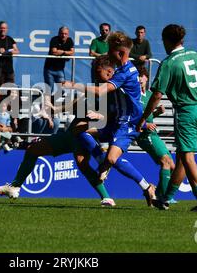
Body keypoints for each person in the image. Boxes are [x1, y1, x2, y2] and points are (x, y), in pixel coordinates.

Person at [0, 56, 120, 207]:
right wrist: (56, 109)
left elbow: (114, 117)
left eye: (98, 72)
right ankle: (15, 187)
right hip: (70, 134)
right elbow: (77, 103)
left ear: (110, 72)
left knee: (83, 164)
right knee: (33, 149)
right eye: (94, 72)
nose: (95, 75)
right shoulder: (95, 88)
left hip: (83, 136)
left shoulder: (113, 92)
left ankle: (107, 196)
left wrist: (98, 116)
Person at [63, 31, 157, 206]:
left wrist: (73, 85)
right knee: (77, 129)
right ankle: (101, 160)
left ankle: (147, 187)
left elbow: (100, 91)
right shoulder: (120, 70)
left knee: (113, 158)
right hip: (116, 120)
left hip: (129, 122)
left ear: (120, 53)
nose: (108, 54)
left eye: (111, 50)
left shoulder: (126, 72)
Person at [137, 24, 197, 212]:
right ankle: (166, 199)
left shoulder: (169, 63)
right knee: (184, 157)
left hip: (186, 111)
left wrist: (144, 117)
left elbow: (157, 95)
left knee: (188, 157)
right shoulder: (196, 55)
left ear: (167, 40)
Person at [136, 66, 175, 199]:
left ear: (147, 78)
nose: (140, 79)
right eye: (138, 76)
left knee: (171, 164)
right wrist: (146, 125)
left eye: (142, 76)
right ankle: (163, 196)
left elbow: (148, 115)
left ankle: (157, 192)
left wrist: (157, 112)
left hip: (153, 134)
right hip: (144, 135)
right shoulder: (134, 96)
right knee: (165, 161)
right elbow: (132, 118)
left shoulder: (148, 95)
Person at [44, 26, 75, 94]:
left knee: (63, 89)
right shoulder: (54, 39)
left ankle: (58, 103)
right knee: (49, 89)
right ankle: (45, 104)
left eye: (65, 34)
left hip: (60, 69)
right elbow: (54, 52)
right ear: (58, 33)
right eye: (62, 33)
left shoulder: (69, 40)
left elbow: (72, 52)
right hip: (49, 69)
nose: (63, 35)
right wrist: (66, 52)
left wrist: (62, 52)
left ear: (68, 34)